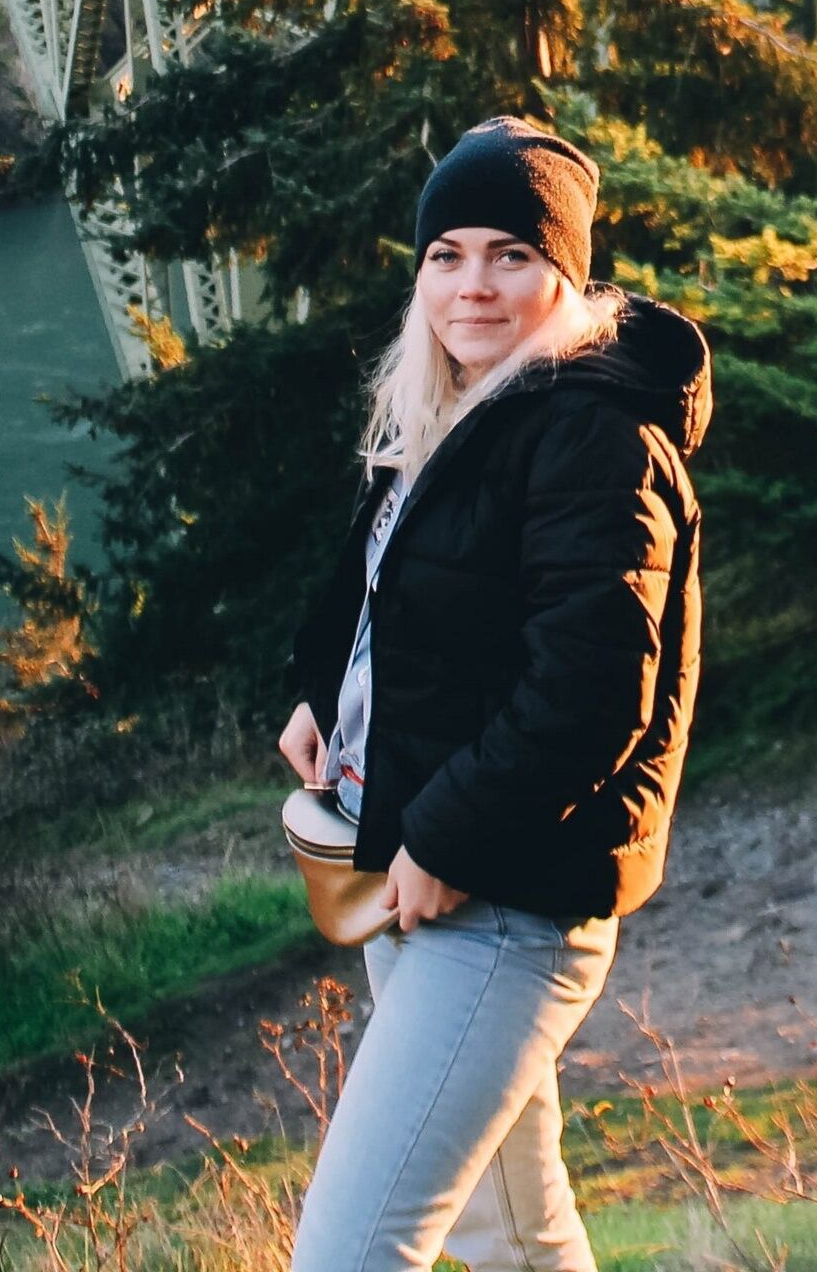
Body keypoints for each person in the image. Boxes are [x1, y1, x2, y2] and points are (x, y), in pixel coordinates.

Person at [278, 116, 707, 1272]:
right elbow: (384, 591)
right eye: (447, 254)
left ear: (564, 273)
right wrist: (321, 691)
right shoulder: (459, 409)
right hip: (421, 872)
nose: (474, 284)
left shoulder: (591, 431)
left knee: (349, 1252)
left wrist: (447, 840)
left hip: (504, 895)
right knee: (514, 1233)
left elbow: (589, 689)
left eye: (512, 255)